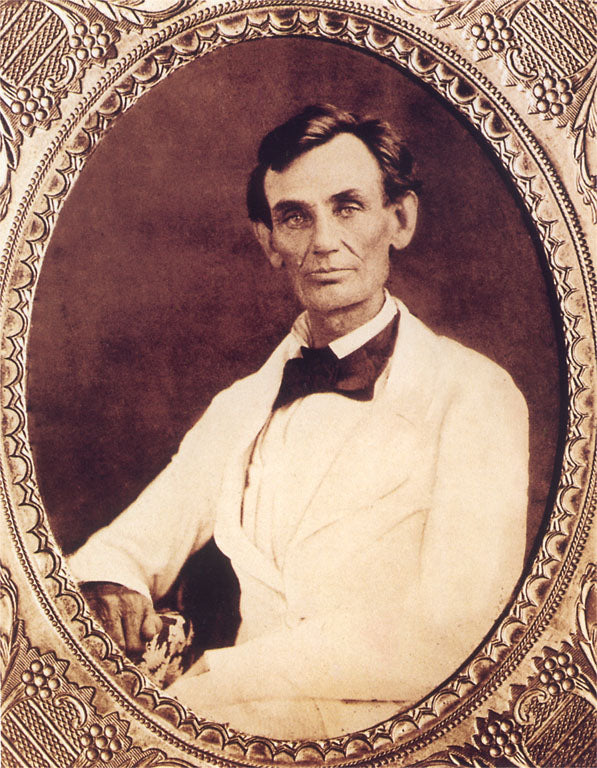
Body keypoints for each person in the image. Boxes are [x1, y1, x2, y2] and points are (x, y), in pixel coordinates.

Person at [68, 104, 529, 739]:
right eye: (295, 217)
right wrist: (110, 582)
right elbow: (128, 544)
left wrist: (220, 678)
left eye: (348, 207)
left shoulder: (474, 394)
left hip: (397, 738)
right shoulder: (242, 404)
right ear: (269, 242)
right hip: (238, 734)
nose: (323, 242)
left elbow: (456, 634)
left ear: (399, 220)